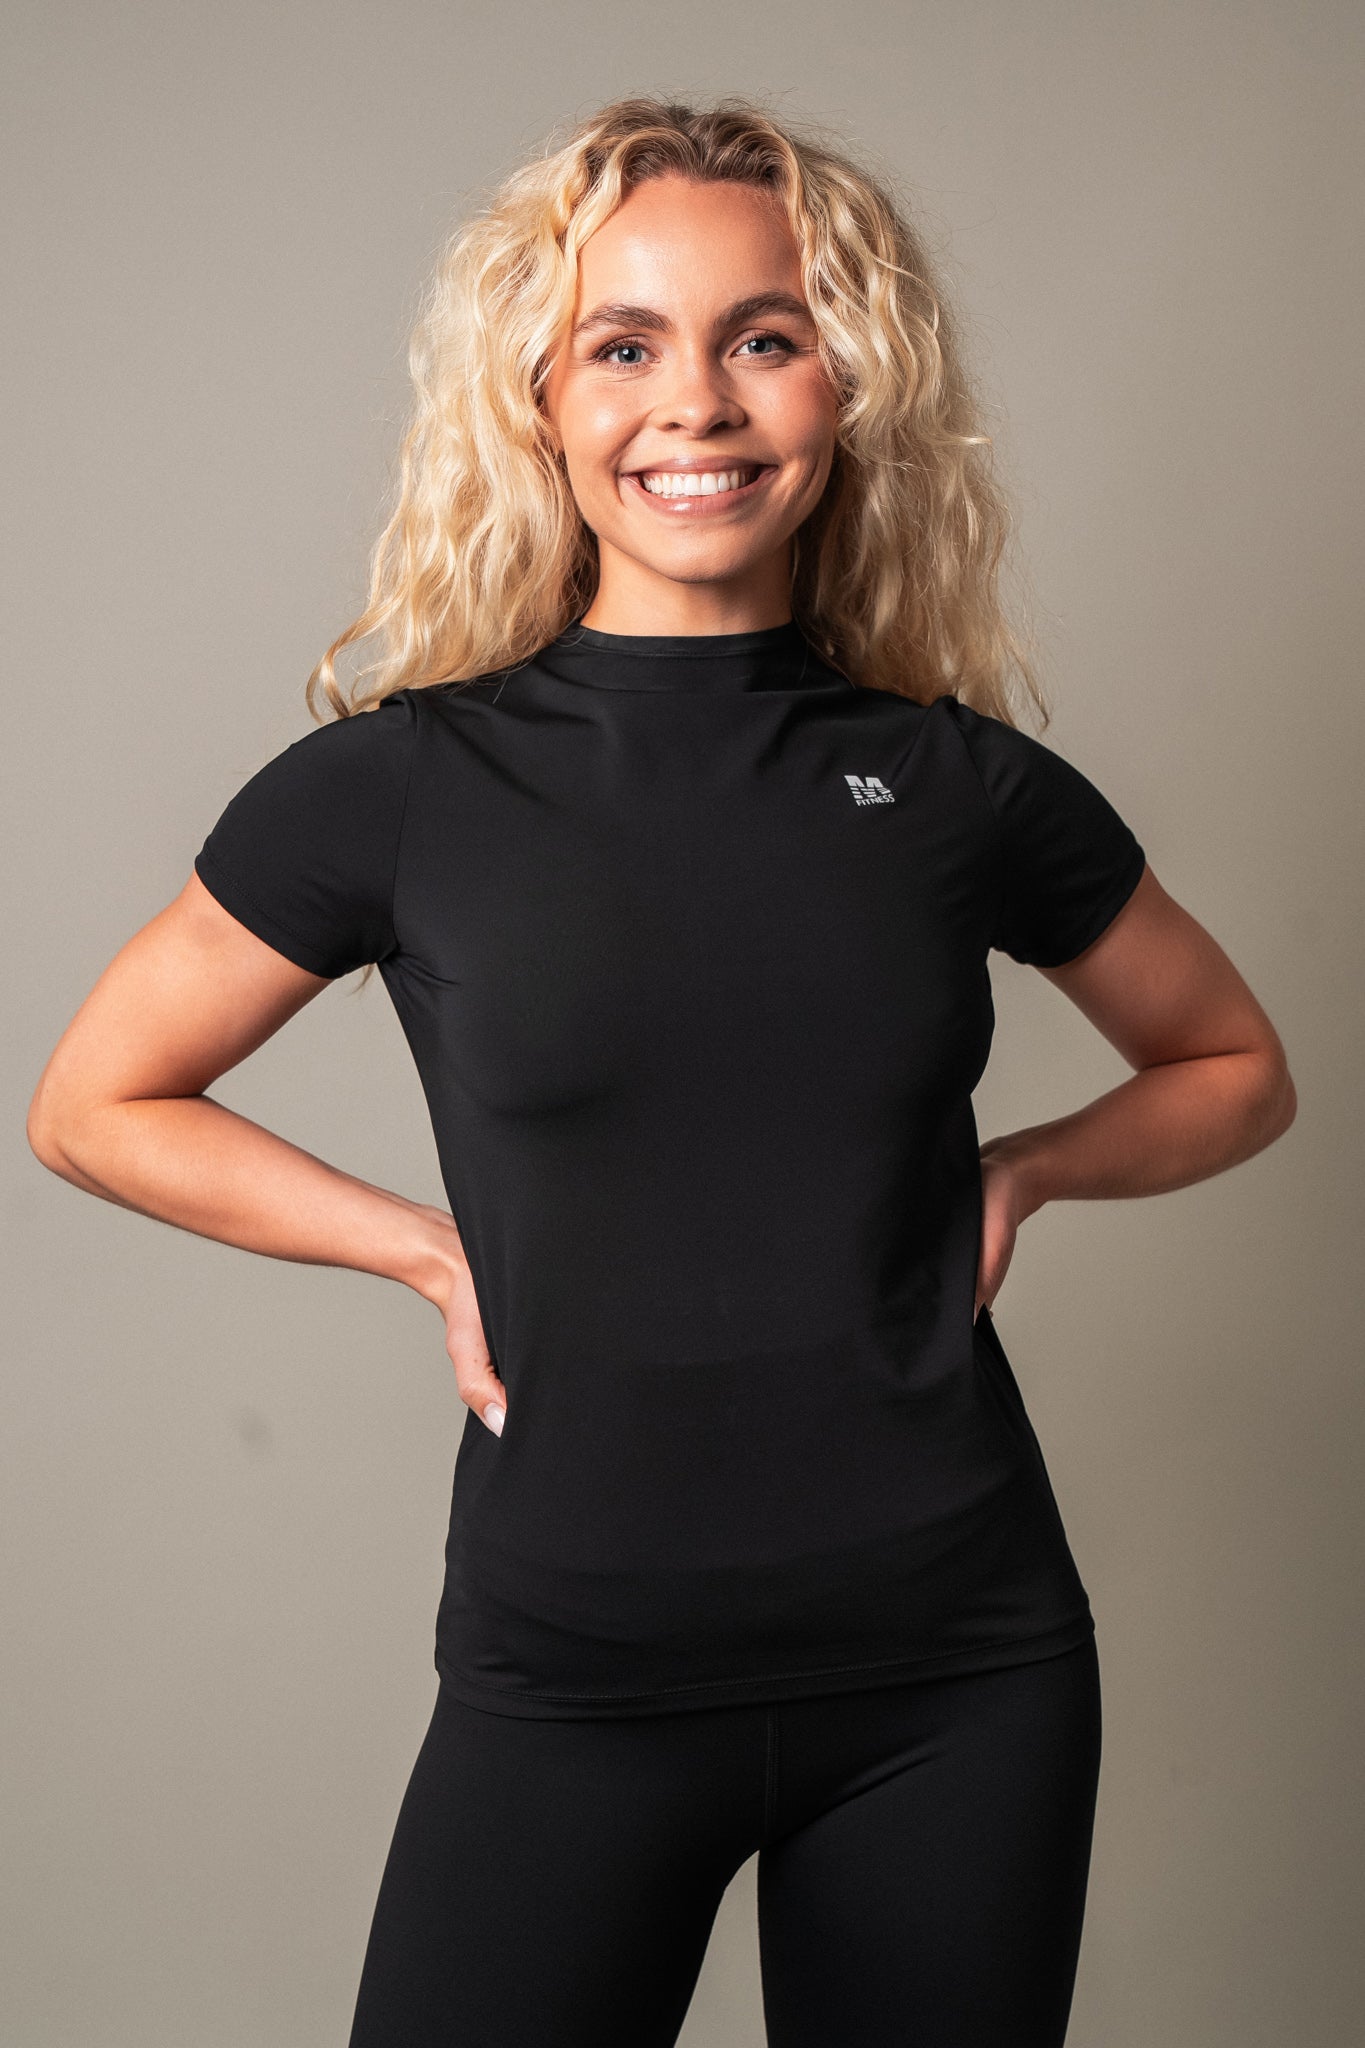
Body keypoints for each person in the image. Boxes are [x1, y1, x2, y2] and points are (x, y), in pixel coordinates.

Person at [27, 94, 1295, 2048]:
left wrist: (1024, 1167)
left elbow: (1232, 1064)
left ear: (843, 386)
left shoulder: (953, 782)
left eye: (761, 337)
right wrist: (422, 1249)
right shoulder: (401, 786)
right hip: (571, 1678)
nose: (693, 401)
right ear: (536, 397)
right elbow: (92, 1102)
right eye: (622, 344)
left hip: (952, 1671)